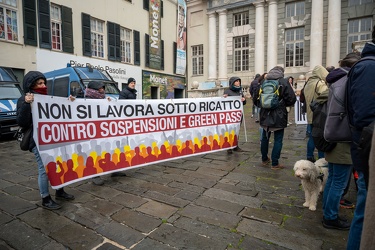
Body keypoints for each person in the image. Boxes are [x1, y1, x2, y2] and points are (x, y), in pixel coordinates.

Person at [16, 71, 75, 210]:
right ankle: (45, 198)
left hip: (52, 138)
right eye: (40, 83)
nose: (43, 85)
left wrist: (70, 102)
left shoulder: (47, 98)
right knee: (44, 169)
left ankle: (59, 191)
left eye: (44, 83)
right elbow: (22, 122)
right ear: (31, 85)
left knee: (58, 164)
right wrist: (26, 104)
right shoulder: (23, 99)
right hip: (36, 140)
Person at [322, 52, 361, 230]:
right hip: (343, 136)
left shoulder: (336, 80)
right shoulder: (348, 81)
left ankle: (327, 211)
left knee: (332, 178)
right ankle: (330, 216)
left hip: (332, 134)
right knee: (338, 181)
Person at [346, 25, 375, 250]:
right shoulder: (369, 68)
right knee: (366, 209)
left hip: (361, 145)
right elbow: (364, 116)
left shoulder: (364, 67)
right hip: (367, 150)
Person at [259, 66, 296, 169]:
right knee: (278, 140)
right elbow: (292, 99)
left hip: (264, 115)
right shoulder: (283, 82)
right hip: (279, 115)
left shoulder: (263, 82)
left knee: (265, 138)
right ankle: (275, 163)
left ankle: (264, 159)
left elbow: (256, 99)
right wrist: (283, 104)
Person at [303, 65, 328, 163]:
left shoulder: (308, 83)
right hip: (319, 114)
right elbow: (326, 95)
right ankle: (321, 159)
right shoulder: (319, 83)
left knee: (312, 137)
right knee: (320, 137)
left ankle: (309, 156)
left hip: (310, 114)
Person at [223, 76, 246, 154]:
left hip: (238, 115)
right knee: (230, 130)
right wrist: (224, 98)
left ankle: (235, 145)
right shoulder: (227, 91)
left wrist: (244, 100)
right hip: (230, 115)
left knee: (237, 130)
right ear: (232, 82)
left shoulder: (240, 91)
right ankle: (229, 147)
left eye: (239, 81)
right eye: (236, 81)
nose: (238, 82)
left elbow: (244, 103)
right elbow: (223, 103)